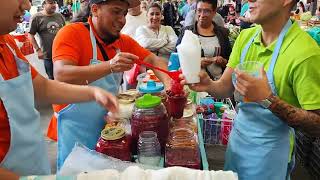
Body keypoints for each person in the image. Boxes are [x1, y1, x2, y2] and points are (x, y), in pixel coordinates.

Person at [182, 0, 320, 179]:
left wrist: (268, 99)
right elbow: (225, 88)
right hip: (238, 142)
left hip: (269, 155)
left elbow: (317, 124)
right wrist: (208, 84)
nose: (249, 1)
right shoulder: (245, 37)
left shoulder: (305, 53)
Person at [0, 0, 118, 179]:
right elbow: (61, 72)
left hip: (34, 164)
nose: (25, 6)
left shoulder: (7, 42)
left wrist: (93, 93)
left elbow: (42, 88)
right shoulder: (71, 34)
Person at [50, 0, 172, 169]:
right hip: (76, 130)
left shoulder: (122, 42)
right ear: (95, 9)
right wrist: (109, 66)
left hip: (109, 129)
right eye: (116, 11)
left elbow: (154, 60)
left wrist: (169, 83)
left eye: (124, 13)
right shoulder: (72, 33)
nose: (122, 19)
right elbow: (62, 74)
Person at [176, 0, 231, 80]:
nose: (202, 15)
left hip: (217, 84)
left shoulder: (222, 33)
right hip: (193, 84)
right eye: (199, 10)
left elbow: (230, 60)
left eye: (207, 11)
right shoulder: (186, 32)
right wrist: (195, 63)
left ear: (214, 12)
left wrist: (223, 62)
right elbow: (177, 58)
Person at [28, 0, 65, 80]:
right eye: (51, 3)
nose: (54, 5)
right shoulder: (36, 18)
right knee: (52, 78)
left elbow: (65, 32)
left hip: (62, 54)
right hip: (48, 56)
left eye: (55, 2)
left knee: (63, 78)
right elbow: (30, 35)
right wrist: (38, 50)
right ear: (44, 4)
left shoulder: (60, 16)